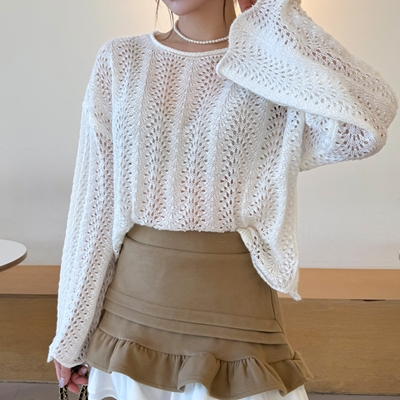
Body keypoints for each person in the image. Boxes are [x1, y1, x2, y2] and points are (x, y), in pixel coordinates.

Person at [48, 0, 398, 399]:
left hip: (237, 318)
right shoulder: (121, 59)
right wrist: (70, 335)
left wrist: (277, 15)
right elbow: (94, 208)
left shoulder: (272, 63)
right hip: (129, 318)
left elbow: (368, 124)